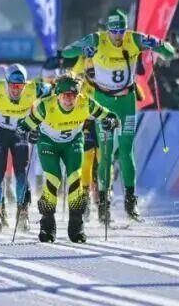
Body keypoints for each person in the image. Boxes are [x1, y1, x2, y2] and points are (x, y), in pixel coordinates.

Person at [62, 9, 174, 223]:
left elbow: (169, 51)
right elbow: (67, 52)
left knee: (126, 150)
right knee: (104, 152)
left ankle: (130, 201)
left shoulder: (134, 39)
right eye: (114, 31)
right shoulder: (97, 39)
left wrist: (157, 46)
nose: (117, 35)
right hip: (103, 102)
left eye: (121, 30)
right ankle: (103, 203)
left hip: (126, 102)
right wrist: (81, 49)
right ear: (108, 30)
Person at [18, 75, 120, 244]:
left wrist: (110, 121)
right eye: (65, 95)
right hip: (48, 143)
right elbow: (22, 127)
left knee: (75, 179)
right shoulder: (45, 106)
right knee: (53, 179)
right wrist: (30, 133)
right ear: (57, 95)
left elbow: (110, 116)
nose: (69, 99)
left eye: (73, 95)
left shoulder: (86, 103)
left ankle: (76, 226)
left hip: (73, 142)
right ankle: (47, 225)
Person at [0, 64, 42, 231]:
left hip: (19, 131)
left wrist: (36, 125)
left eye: (20, 86)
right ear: (6, 82)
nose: (16, 90)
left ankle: (22, 212)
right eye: (12, 85)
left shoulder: (33, 89)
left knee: (21, 172)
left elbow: (52, 92)